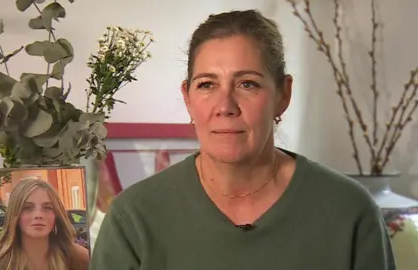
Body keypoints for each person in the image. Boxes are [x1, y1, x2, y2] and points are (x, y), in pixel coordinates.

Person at [92, 9, 395, 269]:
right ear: (187, 98)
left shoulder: (349, 212)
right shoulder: (133, 218)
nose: (225, 106)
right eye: (207, 84)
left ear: (283, 95)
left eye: (247, 84)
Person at [0, 178, 89, 270]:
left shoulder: (78, 257)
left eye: (47, 208)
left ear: (56, 215)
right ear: (15, 215)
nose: (38, 215)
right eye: (27, 208)